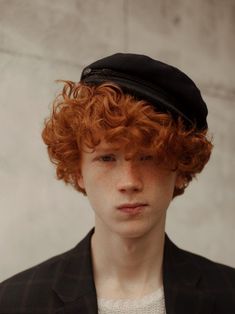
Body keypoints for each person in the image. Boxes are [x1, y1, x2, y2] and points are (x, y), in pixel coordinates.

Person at [0, 53, 234, 314]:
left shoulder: (228, 294)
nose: (129, 182)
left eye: (149, 157)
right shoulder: (14, 302)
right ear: (78, 170)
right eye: (107, 158)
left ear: (180, 168)